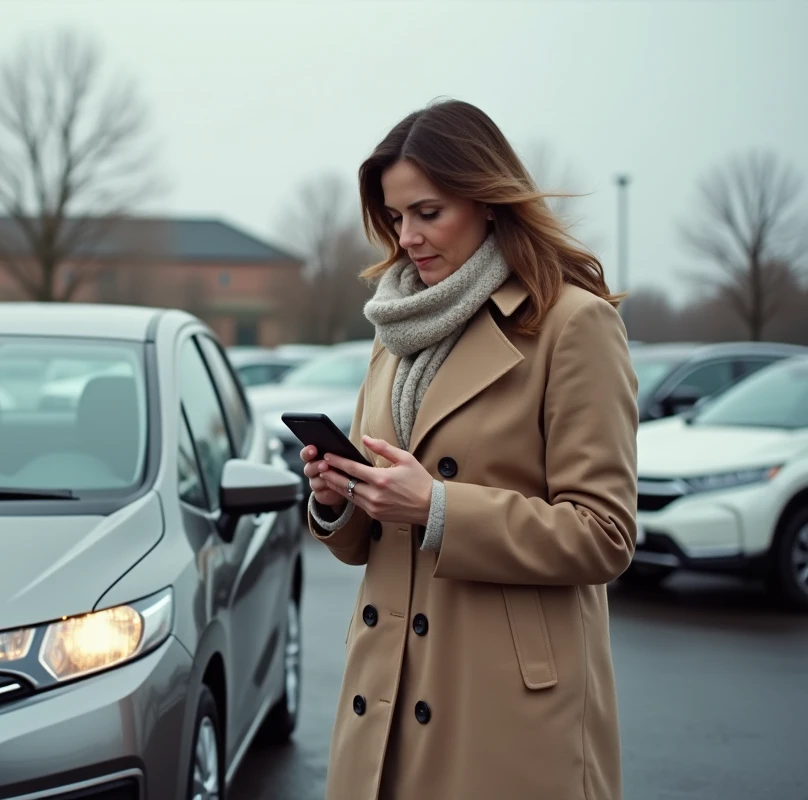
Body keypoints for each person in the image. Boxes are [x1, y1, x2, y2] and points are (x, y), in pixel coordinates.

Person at [301, 99, 638, 800]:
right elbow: (376, 537)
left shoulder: (574, 325)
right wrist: (340, 501)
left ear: (487, 201)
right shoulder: (395, 331)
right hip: (384, 696)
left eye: (428, 212)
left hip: (502, 711)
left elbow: (605, 536)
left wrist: (441, 507)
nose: (409, 237)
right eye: (396, 218)